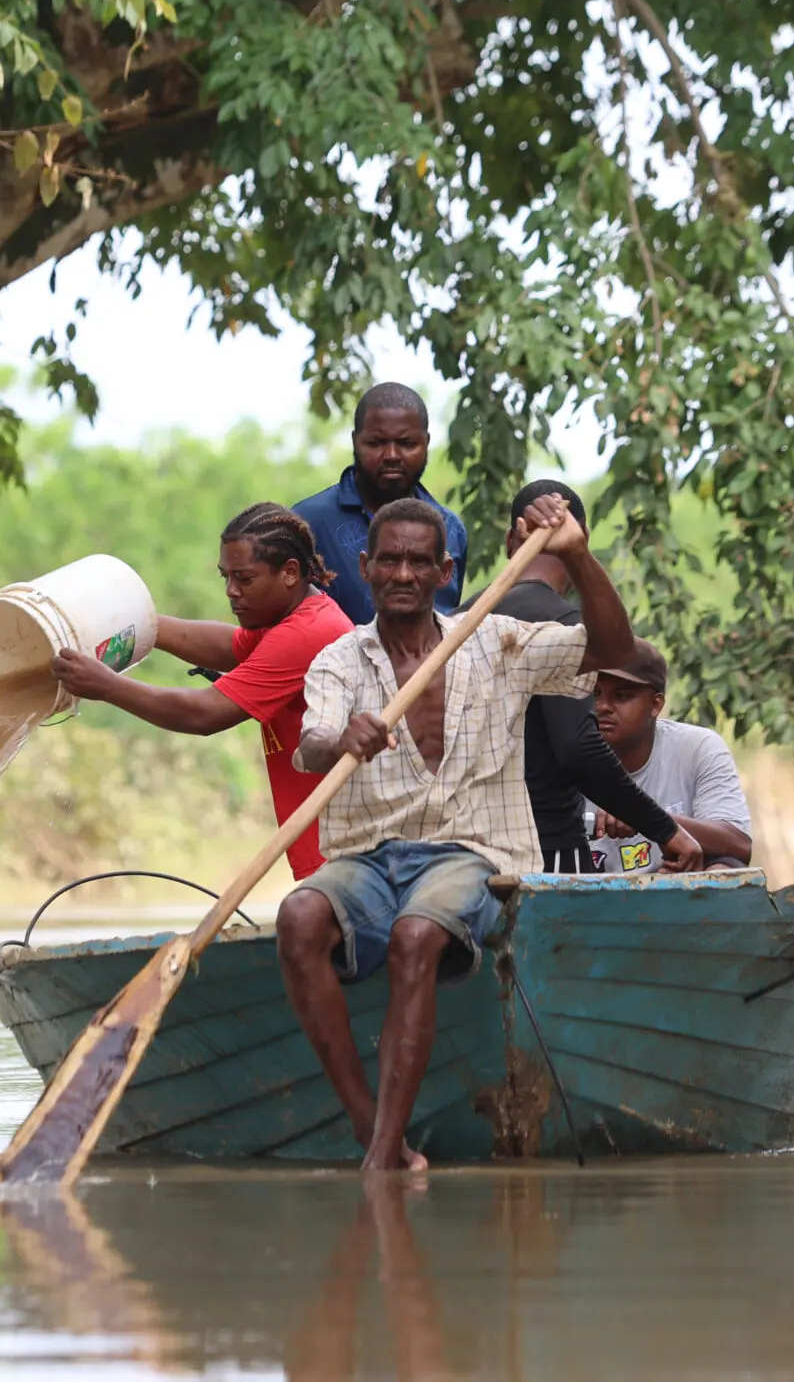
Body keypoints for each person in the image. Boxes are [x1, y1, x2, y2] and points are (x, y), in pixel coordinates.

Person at [279, 491, 634, 1171]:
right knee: (298, 916)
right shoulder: (339, 661)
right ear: (366, 567)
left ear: (445, 571)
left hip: (470, 853)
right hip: (367, 857)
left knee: (418, 934)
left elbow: (614, 649)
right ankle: (370, 1127)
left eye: (419, 561)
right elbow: (314, 741)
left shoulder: (496, 641)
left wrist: (578, 556)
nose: (404, 574)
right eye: (389, 561)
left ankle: (384, 1156)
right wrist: (340, 740)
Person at [49, 503, 352, 878]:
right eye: (225, 577)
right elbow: (229, 646)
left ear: (290, 572)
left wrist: (107, 686)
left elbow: (203, 714)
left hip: (344, 852)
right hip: (329, 847)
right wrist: (139, 622)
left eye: (244, 578)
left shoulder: (310, 632)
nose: (231, 591)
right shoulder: (294, 619)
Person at [484, 480, 704, 876]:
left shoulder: (463, 619)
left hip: (463, 852)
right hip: (544, 851)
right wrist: (665, 828)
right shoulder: (562, 626)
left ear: (509, 541)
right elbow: (578, 747)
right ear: (581, 539)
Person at [292, 383, 468, 624]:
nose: (392, 455)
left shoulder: (450, 528)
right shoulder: (307, 524)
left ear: (426, 443)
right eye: (376, 443)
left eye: (407, 444)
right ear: (355, 442)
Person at [588, 643, 756, 867]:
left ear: (656, 705)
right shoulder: (561, 753)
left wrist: (644, 817)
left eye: (622, 696)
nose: (603, 706)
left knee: (725, 866)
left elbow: (739, 845)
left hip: (678, 893)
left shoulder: (697, 748)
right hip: (585, 896)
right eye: (594, 693)